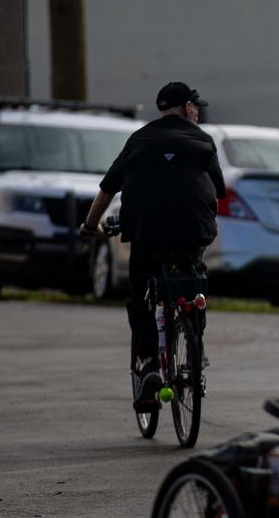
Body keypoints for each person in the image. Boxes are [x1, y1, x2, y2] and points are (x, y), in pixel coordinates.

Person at [80, 82, 226, 411]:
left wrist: (91, 226)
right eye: (196, 107)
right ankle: (194, 346)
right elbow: (218, 190)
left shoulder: (139, 140)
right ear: (187, 108)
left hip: (146, 234)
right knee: (193, 283)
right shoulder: (203, 141)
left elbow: (107, 188)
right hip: (192, 234)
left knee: (140, 299)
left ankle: (148, 366)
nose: (198, 113)